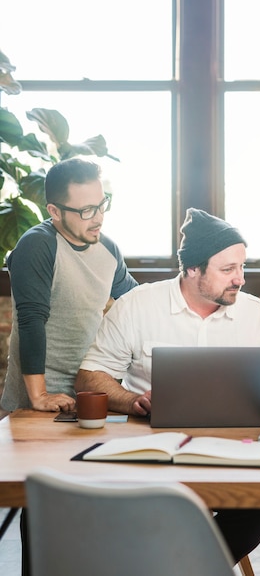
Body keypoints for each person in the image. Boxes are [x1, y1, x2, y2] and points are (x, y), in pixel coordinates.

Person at [75, 207, 260, 564]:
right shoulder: (138, 305)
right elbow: (91, 376)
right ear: (192, 269)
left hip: (232, 454)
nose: (240, 279)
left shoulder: (254, 313)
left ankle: (183, 569)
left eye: (242, 267)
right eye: (228, 270)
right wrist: (132, 400)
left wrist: (227, 397)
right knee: (121, 509)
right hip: (150, 454)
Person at [0, 157, 137, 576]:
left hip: (89, 391)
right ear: (54, 211)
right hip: (41, 392)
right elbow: (31, 319)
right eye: (85, 210)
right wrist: (38, 396)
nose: (97, 217)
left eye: (102, 204)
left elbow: (132, 305)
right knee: (43, 502)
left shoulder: (108, 248)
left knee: (92, 495)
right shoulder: (37, 245)